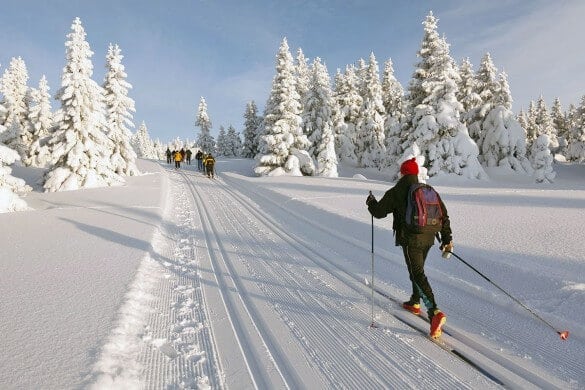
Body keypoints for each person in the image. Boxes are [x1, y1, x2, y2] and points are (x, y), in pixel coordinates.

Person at [366, 158, 453, 339]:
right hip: (429, 238)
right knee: (417, 270)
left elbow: (379, 212)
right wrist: (447, 240)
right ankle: (415, 302)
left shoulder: (398, 190)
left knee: (417, 274)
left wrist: (371, 202)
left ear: (403, 173)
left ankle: (434, 312)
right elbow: (443, 216)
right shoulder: (429, 190)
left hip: (410, 239)